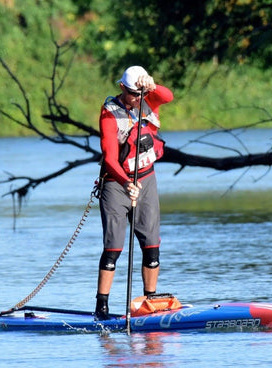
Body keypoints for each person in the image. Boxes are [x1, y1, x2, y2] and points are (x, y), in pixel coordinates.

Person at [94, 66, 174, 320]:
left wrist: (151, 85)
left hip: (147, 179)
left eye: (139, 94)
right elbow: (109, 157)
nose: (136, 99)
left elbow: (168, 96)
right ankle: (102, 308)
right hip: (116, 183)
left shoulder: (149, 100)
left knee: (151, 244)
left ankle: (150, 302)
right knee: (114, 246)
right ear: (122, 88)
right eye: (131, 94)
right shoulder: (109, 114)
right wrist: (126, 183)